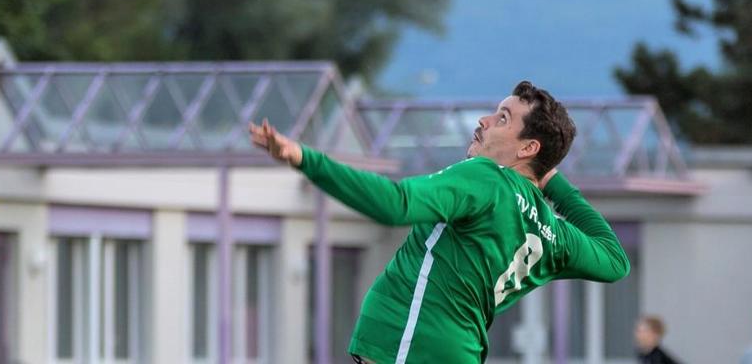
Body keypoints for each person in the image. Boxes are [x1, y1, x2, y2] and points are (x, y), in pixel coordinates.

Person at [249, 80, 630, 363]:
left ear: (528, 148)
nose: (483, 121)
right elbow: (615, 261)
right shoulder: (552, 232)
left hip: (411, 347)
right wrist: (553, 182)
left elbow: (394, 205)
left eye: (502, 118)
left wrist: (304, 159)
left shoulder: (487, 178)